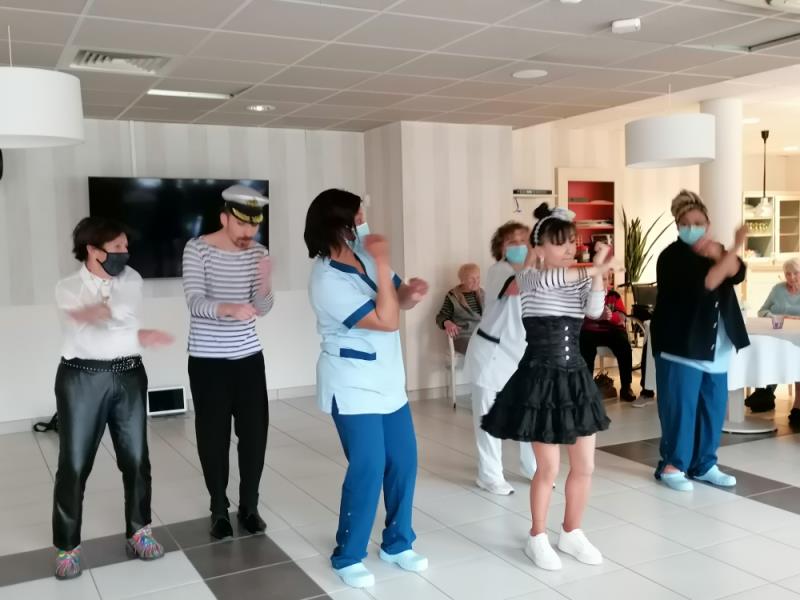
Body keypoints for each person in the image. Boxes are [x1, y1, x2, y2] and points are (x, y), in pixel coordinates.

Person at [305, 189, 430, 589]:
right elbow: (386, 320)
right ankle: (348, 554)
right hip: (352, 384)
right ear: (337, 224)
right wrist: (384, 260)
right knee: (369, 466)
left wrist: (411, 293)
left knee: (404, 462)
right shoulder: (326, 279)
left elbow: (397, 300)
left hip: (388, 380)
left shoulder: (363, 257)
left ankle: (397, 543)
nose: (363, 225)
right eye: (357, 219)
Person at [482, 204, 613, 572]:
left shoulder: (579, 276)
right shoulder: (529, 278)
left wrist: (598, 276)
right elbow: (552, 281)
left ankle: (572, 531)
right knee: (548, 468)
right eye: (560, 243)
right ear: (539, 249)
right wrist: (596, 267)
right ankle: (537, 535)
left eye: (572, 241)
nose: (570, 248)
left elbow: (594, 311)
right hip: (540, 379)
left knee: (585, 465)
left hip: (576, 377)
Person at [52, 217, 173, 579]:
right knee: (74, 464)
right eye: (117, 247)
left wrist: (120, 326)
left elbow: (118, 322)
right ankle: (67, 546)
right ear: (93, 250)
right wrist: (94, 316)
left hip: (129, 375)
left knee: (136, 459)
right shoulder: (67, 287)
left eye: (126, 245)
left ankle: (139, 531)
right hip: (82, 378)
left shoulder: (131, 279)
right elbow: (84, 326)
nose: (125, 252)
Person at [182, 184, 274, 539]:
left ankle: (249, 505)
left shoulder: (258, 252)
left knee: (254, 435)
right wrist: (228, 308)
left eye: (254, 225)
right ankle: (218, 507)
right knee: (213, 437)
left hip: (249, 358)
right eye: (242, 224)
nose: (249, 232)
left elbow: (263, 308)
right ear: (224, 218)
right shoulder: (197, 249)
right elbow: (195, 302)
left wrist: (264, 284)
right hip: (208, 361)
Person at [650, 190, 749, 492]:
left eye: (698, 222)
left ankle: (704, 464)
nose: (692, 227)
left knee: (712, 408)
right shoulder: (672, 257)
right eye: (686, 223)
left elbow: (737, 272)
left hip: (715, 345)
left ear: (708, 224)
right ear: (677, 226)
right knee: (681, 408)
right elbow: (707, 283)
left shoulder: (716, 251)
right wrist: (735, 246)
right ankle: (672, 465)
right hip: (681, 345)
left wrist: (722, 253)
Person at [464, 222, 537, 496]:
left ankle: (534, 468)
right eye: (512, 242)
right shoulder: (499, 271)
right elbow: (517, 287)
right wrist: (533, 257)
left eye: (524, 240)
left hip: (519, 353)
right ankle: (489, 475)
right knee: (489, 417)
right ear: (501, 248)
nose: (519, 246)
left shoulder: (534, 272)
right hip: (491, 353)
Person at [747, 257, 800, 421]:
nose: (791, 277)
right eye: (788, 274)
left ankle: (797, 403)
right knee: (766, 349)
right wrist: (775, 316)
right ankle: (765, 391)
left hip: (797, 339)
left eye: (796, 273)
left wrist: (794, 318)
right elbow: (762, 311)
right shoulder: (778, 289)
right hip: (777, 334)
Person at [579, 273, 636, 402]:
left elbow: (622, 318)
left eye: (604, 279)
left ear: (609, 281)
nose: (600, 282)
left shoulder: (614, 296)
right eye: (597, 278)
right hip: (591, 330)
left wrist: (609, 316)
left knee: (624, 346)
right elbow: (581, 316)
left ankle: (626, 387)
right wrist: (598, 316)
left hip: (613, 330)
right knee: (585, 344)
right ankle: (586, 388)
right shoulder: (586, 294)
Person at [435, 263, 484, 354]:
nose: (476, 281)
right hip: (463, 336)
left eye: (478, 277)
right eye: (472, 278)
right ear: (462, 280)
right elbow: (441, 317)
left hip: (482, 334)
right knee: (479, 350)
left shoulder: (482, 293)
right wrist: (447, 322)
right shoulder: (453, 296)